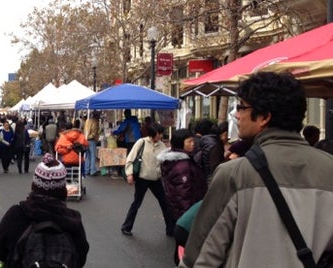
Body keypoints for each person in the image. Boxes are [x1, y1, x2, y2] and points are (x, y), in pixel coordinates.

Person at [180, 72, 333, 267]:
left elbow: (202, 255)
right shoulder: (329, 169)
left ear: (264, 117)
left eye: (241, 107)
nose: (236, 114)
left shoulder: (235, 174)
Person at [0, 153, 90, 267]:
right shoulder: (72, 220)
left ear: (34, 186)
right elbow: (81, 258)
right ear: (63, 189)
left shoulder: (17, 214)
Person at [157, 129, 207, 264]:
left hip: (178, 210)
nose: (193, 144)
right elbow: (183, 194)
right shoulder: (182, 166)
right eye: (189, 141)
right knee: (186, 245)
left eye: (192, 141)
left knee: (182, 244)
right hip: (185, 210)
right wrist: (188, 216)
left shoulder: (179, 161)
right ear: (180, 143)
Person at [120, 124, 174, 237]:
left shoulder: (162, 145)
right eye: (159, 133)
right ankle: (126, 227)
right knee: (136, 203)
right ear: (153, 134)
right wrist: (129, 174)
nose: (161, 136)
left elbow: (166, 160)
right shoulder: (142, 142)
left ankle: (170, 229)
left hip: (156, 179)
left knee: (165, 203)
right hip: (142, 178)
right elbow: (130, 158)